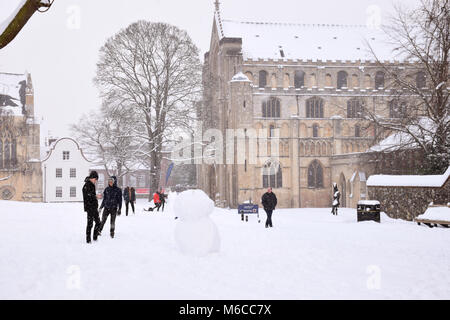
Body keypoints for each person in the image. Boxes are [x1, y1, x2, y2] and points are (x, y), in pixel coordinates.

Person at [82, 171, 102, 244]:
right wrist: (95, 196)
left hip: (94, 206)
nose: (96, 181)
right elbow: (87, 195)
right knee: (90, 224)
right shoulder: (86, 185)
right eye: (95, 179)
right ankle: (88, 240)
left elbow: (91, 194)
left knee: (98, 222)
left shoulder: (92, 185)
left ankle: (95, 237)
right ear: (92, 178)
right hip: (89, 207)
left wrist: (95, 198)